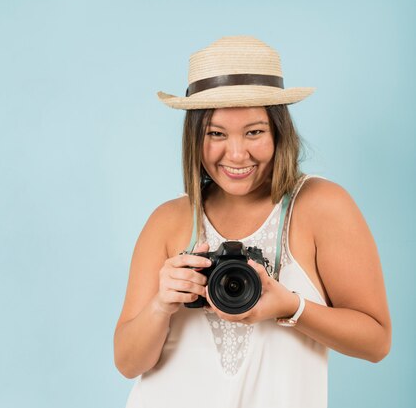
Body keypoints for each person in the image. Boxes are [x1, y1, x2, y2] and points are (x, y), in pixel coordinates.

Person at [113, 36, 391, 408]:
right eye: (216, 133)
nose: (237, 153)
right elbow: (128, 363)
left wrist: (289, 307)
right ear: (195, 138)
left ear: (279, 132)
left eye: (254, 131)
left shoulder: (320, 205)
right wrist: (161, 304)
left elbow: (376, 342)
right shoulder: (168, 220)